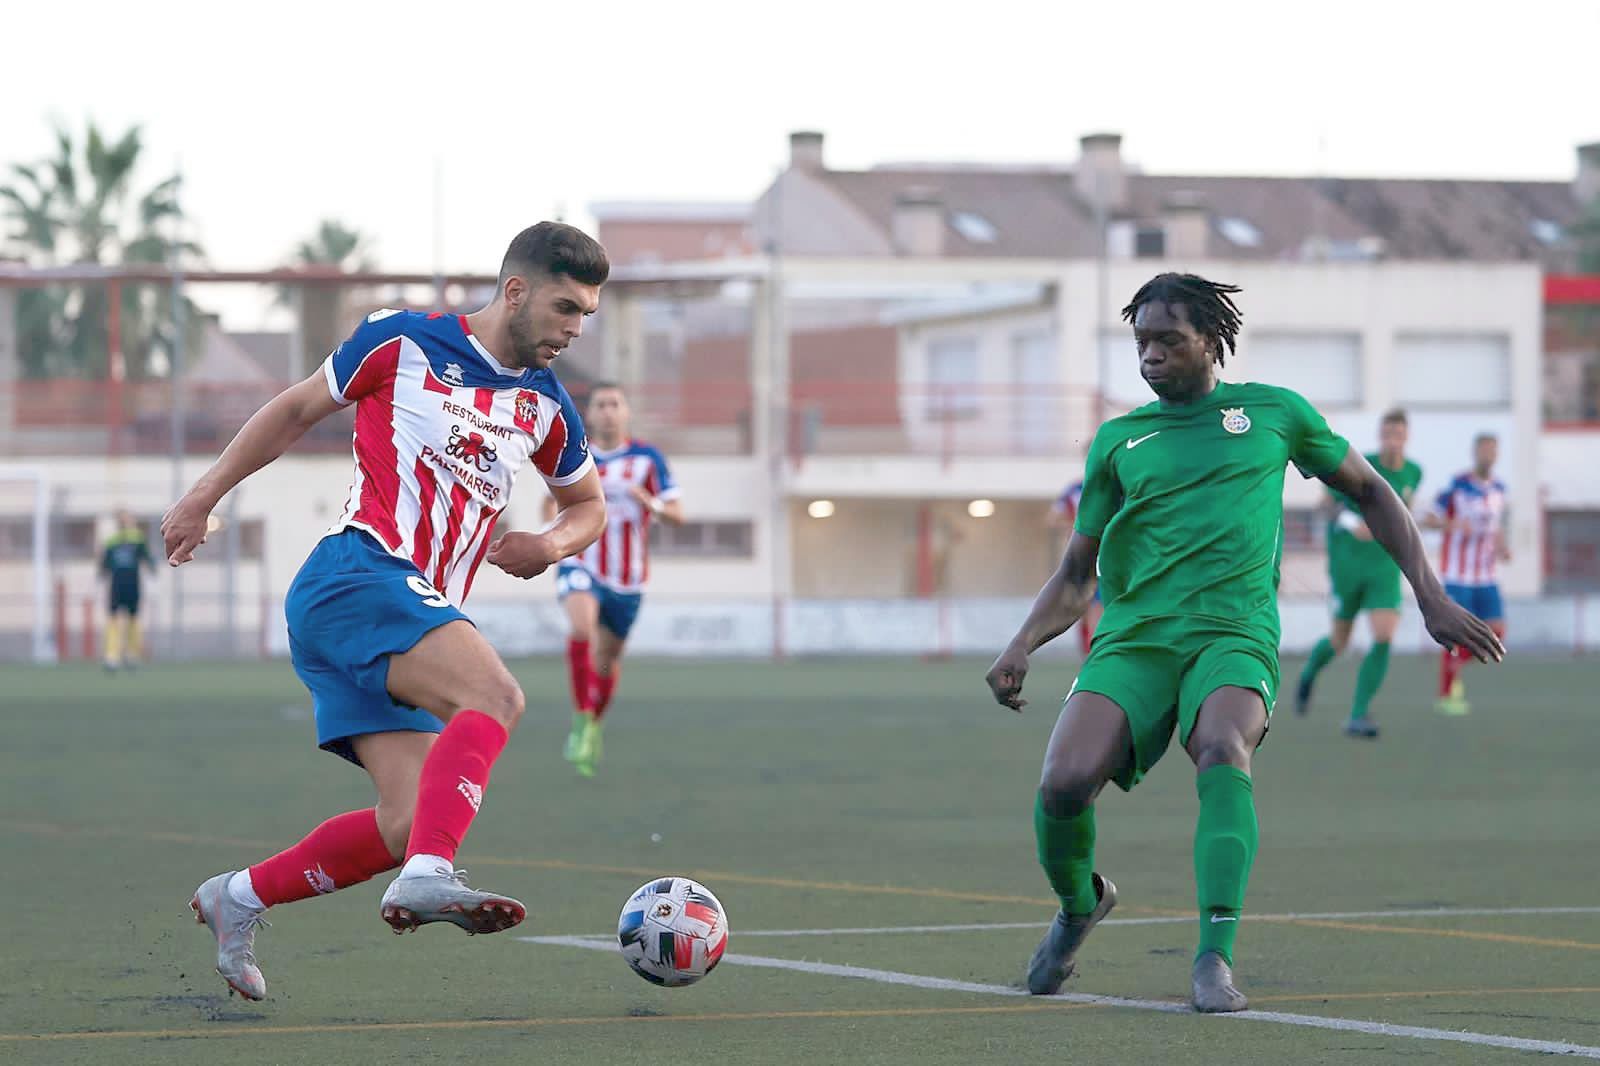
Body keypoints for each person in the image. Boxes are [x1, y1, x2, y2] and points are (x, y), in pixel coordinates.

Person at [984, 273, 1502, 1013]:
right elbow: (1076, 571)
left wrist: (1431, 594)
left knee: (1225, 748)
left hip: (1234, 633)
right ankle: (1079, 904)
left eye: (1168, 340)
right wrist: (1021, 644)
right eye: (1141, 342)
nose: (1150, 356)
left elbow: (1371, 490)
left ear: (1211, 340)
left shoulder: (1274, 413)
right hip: (1135, 641)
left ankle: (1213, 959)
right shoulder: (1119, 440)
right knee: (1063, 784)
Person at [162, 222, 609, 1001]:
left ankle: (236, 898)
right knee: (496, 696)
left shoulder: (545, 405)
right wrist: (203, 496)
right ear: (516, 291)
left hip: (392, 616)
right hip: (358, 573)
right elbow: (296, 409)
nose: (574, 329)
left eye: (586, 315)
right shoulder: (401, 342)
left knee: (405, 821)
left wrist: (551, 544)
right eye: (566, 308)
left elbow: (590, 506)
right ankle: (431, 877)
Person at [549, 382, 682, 776]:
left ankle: (593, 725)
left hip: (628, 578)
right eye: (601, 405)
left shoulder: (647, 459)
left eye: (615, 404)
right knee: (580, 626)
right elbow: (550, 498)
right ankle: (579, 717)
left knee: (606, 663)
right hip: (581, 562)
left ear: (626, 412)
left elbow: (678, 513)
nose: (607, 411)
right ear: (589, 414)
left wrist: (652, 503)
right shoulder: (577, 454)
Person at [1294, 409, 1423, 738]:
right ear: (1382, 436)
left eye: (1399, 434)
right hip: (1347, 564)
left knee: (1384, 634)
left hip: (1383, 565)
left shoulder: (1413, 473)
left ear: (1406, 437)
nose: (1393, 440)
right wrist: (1352, 523)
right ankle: (1309, 674)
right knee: (1340, 641)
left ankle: (1358, 713)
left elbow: (1405, 512)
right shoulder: (1360, 465)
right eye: (1388, 433)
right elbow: (1324, 503)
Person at [1421, 432, 1510, 715]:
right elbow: (1430, 520)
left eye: (1493, 450)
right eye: (1484, 450)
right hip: (1458, 575)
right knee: (1457, 634)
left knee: (1498, 632)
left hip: (1486, 576)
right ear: (1476, 453)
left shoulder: (1499, 489)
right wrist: (1453, 525)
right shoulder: (1457, 485)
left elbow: (1496, 527)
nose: (1489, 455)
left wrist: (1503, 547)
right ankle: (1447, 694)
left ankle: (1456, 667)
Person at [1046, 481, 1100, 654]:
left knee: (1094, 607)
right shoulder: (1077, 490)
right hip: (1085, 557)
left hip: (1099, 557)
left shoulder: (1110, 485)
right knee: (1086, 608)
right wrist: (1075, 526)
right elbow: (1052, 519)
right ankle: (1091, 656)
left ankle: (1095, 656)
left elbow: (1052, 519)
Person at [99, 509, 155, 670]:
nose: (123, 522)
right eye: (120, 519)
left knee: (133, 620)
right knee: (113, 619)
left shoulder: (137, 539)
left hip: (133, 584)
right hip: (116, 585)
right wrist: (99, 577)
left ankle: (132, 654)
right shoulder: (111, 541)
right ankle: (112, 656)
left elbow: (147, 558)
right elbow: (105, 564)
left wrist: (153, 572)